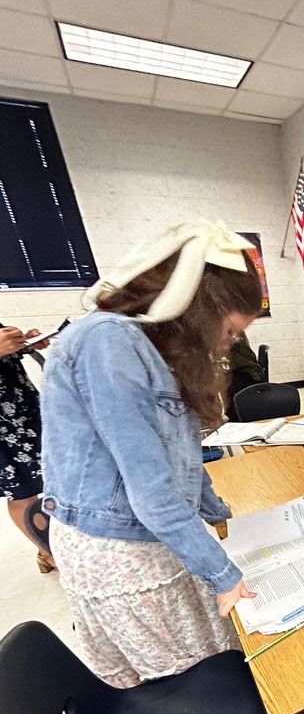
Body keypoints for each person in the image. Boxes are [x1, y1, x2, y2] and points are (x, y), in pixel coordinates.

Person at [40, 221, 262, 688]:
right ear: (198, 309)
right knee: (185, 677)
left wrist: (220, 515)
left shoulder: (155, 348)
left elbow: (179, 454)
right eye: (229, 331)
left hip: (150, 534)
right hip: (119, 548)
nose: (230, 343)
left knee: (206, 653)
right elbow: (151, 490)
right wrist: (222, 572)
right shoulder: (109, 342)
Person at [0, 322, 56, 573]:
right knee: (22, 490)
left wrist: (23, 343)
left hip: (20, 402)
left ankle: (55, 546)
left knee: (53, 476)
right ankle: (49, 553)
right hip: (3, 423)